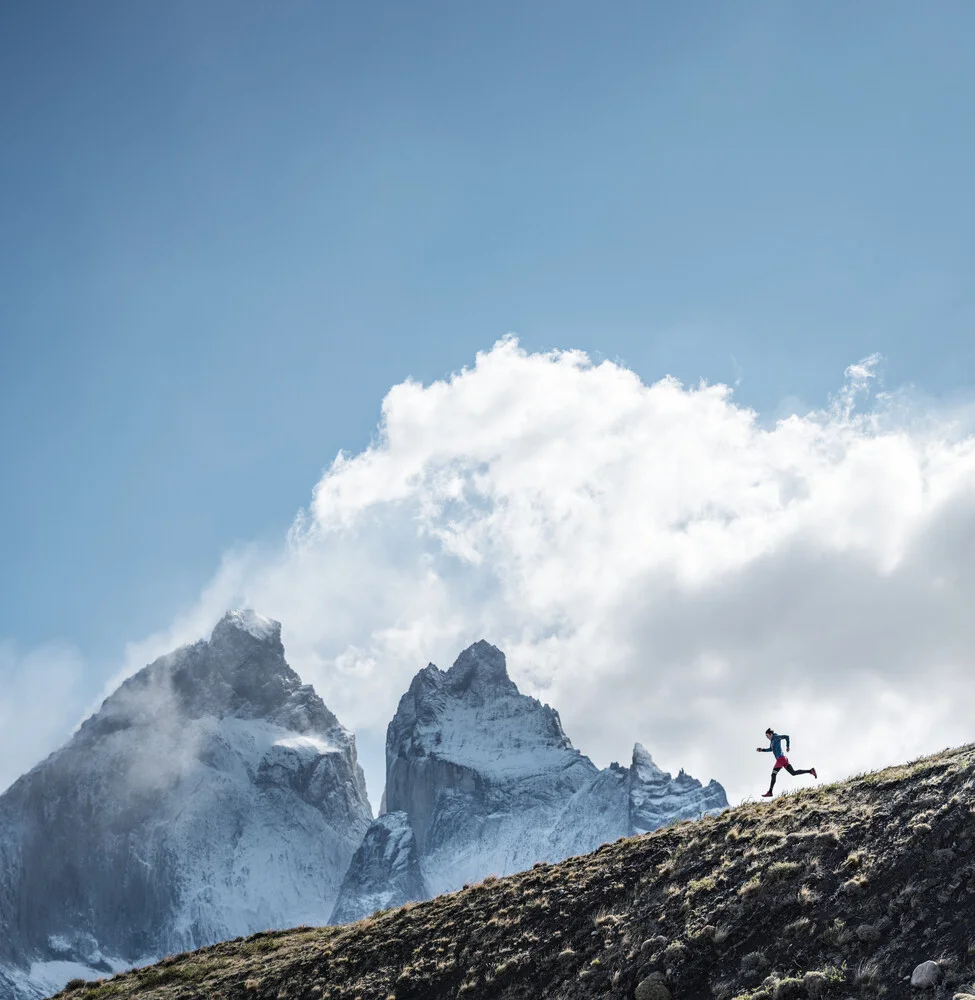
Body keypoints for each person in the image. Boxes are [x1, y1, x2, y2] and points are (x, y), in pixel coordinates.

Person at [757, 727, 816, 797]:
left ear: (770, 734)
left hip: (780, 759)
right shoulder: (772, 742)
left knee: (773, 775)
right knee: (793, 773)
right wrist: (762, 750)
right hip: (783, 759)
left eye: (767, 736)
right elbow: (770, 749)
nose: (767, 737)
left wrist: (787, 746)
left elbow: (786, 737)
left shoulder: (775, 737)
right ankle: (810, 771)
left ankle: (770, 792)